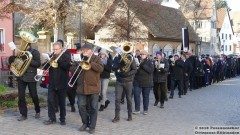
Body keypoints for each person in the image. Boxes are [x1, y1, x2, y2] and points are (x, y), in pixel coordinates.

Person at [77, 44, 104, 134]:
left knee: (93, 107)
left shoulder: (96, 58)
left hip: (93, 87)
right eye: (83, 50)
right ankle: (85, 123)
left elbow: (101, 69)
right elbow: (73, 70)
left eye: (86, 50)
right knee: (81, 106)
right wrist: (77, 64)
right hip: (81, 87)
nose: (84, 52)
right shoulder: (80, 58)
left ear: (91, 50)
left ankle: (92, 126)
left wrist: (90, 63)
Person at [43, 41, 71, 125]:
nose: (55, 51)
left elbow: (66, 66)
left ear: (61, 49)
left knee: (62, 102)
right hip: (52, 83)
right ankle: (52, 118)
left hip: (62, 83)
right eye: (54, 49)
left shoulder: (66, 56)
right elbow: (45, 67)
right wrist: (48, 60)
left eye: (56, 49)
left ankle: (62, 119)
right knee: (50, 101)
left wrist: (57, 60)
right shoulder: (52, 56)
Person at [16, 43, 41, 121]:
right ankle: (23, 114)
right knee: (21, 96)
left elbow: (38, 64)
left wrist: (28, 59)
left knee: (33, 95)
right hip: (21, 76)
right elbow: (16, 61)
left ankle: (37, 110)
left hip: (31, 77)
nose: (22, 46)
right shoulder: (21, 52)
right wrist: (12, 59)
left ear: (28, 45)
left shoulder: (35, 52)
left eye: (24, 45)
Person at [112, 50, 137, 123]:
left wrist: (128, 74)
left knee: (129, 99)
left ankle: (130, 116)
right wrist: (120, 64)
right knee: (117, 99)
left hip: (128, 81)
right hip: (119, 81)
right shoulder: (117, 58)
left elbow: (135, 70)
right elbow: (113, 68)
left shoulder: (130, 58)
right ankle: (117, 117)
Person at [133, 50, 154, 114]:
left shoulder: (150, 61)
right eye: (141, 54)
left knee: (145, 96)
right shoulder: (137, 60)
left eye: (143, 54)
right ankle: (137, 109)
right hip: (137, 81)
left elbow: (151, 71)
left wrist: (142, 65)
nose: (142, 55)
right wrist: (135, 67)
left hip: (146, 82)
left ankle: (145, 109)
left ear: (146, 55)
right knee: (136, 95)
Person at [68, 46, 82, 112]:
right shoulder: (72, 58)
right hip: (73, 77)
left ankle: (80, 104)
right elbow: (70, 68)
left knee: (80, 92)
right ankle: (72, 104)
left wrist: (79, 63)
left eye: (79, 51)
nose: (78, 53)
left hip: (81, 78)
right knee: (71, 92)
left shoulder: (84, 58)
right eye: (77, 52)